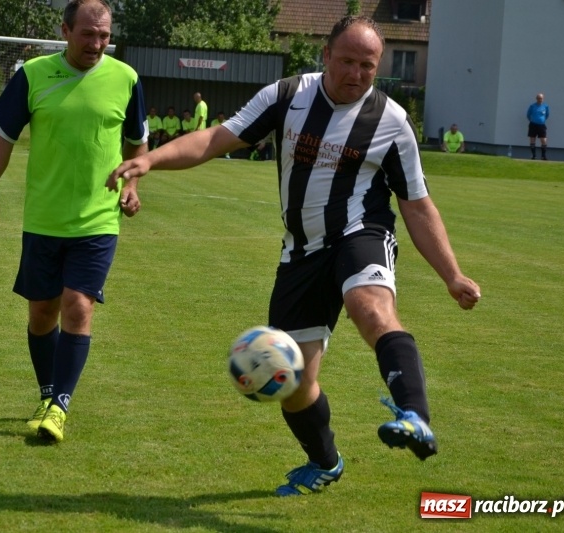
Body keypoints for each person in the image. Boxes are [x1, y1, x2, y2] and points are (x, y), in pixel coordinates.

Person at [107, 15, 481, 496]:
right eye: (347, 61)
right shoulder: (286, 96)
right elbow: (217, 139)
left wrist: (451, 274)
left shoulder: (390, 121)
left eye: (368, 66)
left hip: (359, 232)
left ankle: (415, 417)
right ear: (325, 55)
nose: (356, 73)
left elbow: (416, 203)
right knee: (293, 382)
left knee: (372, 309)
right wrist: (149, 159)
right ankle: (325, 461)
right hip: (301, 252)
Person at [0, 0, 148, 444]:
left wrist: (131, 186)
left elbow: (137, 144)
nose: (96, 44)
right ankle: (47, 394)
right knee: (41, 314)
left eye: (104, 36)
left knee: (78, 306)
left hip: (97, 221)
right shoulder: (33, 74)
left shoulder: (126, 79)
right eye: (88, 34)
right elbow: (3, 137)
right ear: (66, 30)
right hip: (44, 219)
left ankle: (60, 407)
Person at [526, 93, 550, 160]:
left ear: (543, 99)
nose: (540, 100)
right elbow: (528, 115)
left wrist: (541, 120)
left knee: (544, 140)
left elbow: (547, 115)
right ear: (536, 99)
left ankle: (543, 156)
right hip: (533, 125)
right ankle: (534, 156)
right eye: (539, 98)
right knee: (532, 140)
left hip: (541, 125)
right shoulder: (532, 106)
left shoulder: (546, 106)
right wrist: (533, 120)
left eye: (541, 98)